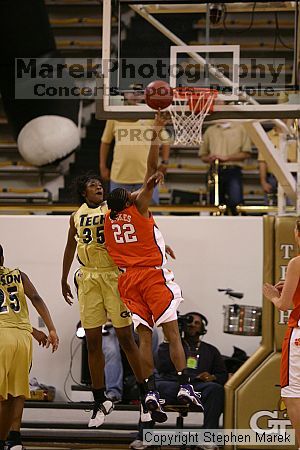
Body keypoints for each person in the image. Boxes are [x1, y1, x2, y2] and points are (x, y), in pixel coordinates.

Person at [104, 111, 203, 424]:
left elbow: (130, 241)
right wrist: (156, 132)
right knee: (174, 336)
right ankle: (186, 385)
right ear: (131, 201)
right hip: (151, 276)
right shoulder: (139, 207)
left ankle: (149, 392)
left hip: (127, 282)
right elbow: (149, 170)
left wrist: (159, 241)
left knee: (144, 339)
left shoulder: (108, 219)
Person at [61, 173, 145, 428]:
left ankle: (145, 394)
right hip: (87, 279)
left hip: (113, 276)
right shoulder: (75, 216)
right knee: (93, 343)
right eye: (92, 185)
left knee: (126, 339)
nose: (98, 187)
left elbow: (139, 207)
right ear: (83, 193)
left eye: (100, 184)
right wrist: (63, 278)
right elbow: (69, 247)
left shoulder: (114, 207)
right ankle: (99, 401)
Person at [130, 312, 227, 450]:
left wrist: (213, 377)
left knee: (215, 389)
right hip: (172, 384)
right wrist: (167, 340)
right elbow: (162, 368)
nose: (192, 325)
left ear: (203, 328)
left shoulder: (211, 350)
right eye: (190, 322)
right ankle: (143, 438)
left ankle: (208, 439)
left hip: (197, 387)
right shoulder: (172, 345)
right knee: (151, 389)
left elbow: (222, 374)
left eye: (197, 323)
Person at [0, 244, 59, 450]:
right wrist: (49, 329)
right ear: (3, 258)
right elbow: (35, 298)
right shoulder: (18, 274)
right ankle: (14, 438)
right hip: (22, 338)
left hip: (1, 338)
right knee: (17, 391)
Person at [263, 218, 300, 449]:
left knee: (293, 395)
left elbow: (284, 306)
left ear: (297, 233)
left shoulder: (297, 262)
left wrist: (273, 296)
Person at [99, 88, 170, 205]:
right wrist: (102, 166)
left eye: (139, 92)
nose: (135, 95)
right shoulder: (115, 114)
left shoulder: (150, 115)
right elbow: (105, 142)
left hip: (146, 178)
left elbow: (166, 140)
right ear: (124, 93)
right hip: (119, 177)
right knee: (118, 215)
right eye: (131, 91)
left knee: (148, 216)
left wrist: (165, 162)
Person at [199, 121, 252, 214]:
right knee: (214, 204)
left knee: (236, 202)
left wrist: (227, 157)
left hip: (233, 170)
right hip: (214, 170)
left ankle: (238, 225)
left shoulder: (241, 129)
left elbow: (247, 153)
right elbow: (202, 155)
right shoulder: (210, 130)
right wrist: (210, 158)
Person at [258, 124, 297, 205]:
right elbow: (262, 160)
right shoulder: (267, 136)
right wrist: (263, 181)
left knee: (293, 206)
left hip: (293, 177)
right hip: (272, 178)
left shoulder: (296, 135)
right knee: (271, 208)